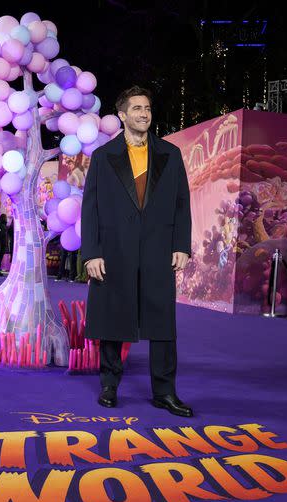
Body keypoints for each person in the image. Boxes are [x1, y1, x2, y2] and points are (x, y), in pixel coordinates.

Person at [81, 86, 193, 417]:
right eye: (137, 108)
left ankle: (165, 392)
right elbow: (91, 209)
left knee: (162, 324)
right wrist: (92, 252)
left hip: (159, 250)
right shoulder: (104, 157)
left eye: (148, 108)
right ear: (123, 115)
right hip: (114, 251)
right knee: (114, 317)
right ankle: (109, 385)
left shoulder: (170, 154)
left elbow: (182, 203)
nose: (144, 113)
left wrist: (181, 246)